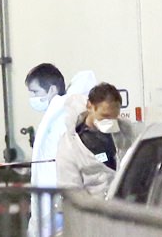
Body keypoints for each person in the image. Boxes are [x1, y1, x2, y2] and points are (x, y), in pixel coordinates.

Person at [25, 63, 97, 237]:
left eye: (35, 92)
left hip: (56, 203)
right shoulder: (56, 114)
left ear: (51, 90)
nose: (32, 98)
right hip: (52, 203)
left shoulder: (63, 114)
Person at [56, 82, 135, 198]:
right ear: (89, 106)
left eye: (114, 117)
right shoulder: (70, 145)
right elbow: (71, 190)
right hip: (92, 207)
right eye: (105, 116)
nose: (110, 122)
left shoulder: (125, 132)